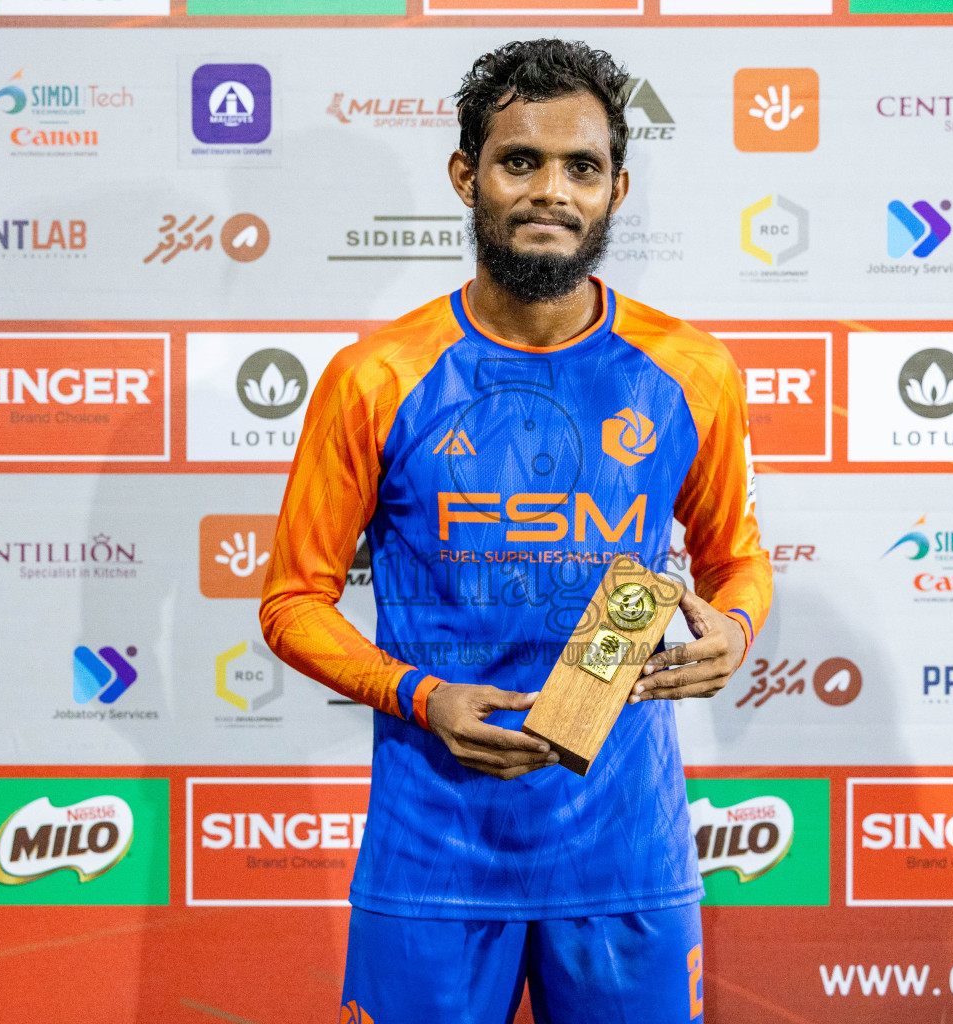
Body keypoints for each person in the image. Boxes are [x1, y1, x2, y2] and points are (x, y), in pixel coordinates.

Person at [261, 38, 772, 1024]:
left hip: (627, 853)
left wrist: (736, 630)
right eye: (520, 161)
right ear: (467, 175)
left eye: (581, 166)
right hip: (432, 855)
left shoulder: (691, 369)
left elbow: (737, 558)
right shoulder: (377, 376)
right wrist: (419, 693)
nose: (552, 190)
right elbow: (291, 600)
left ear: (617, 187)